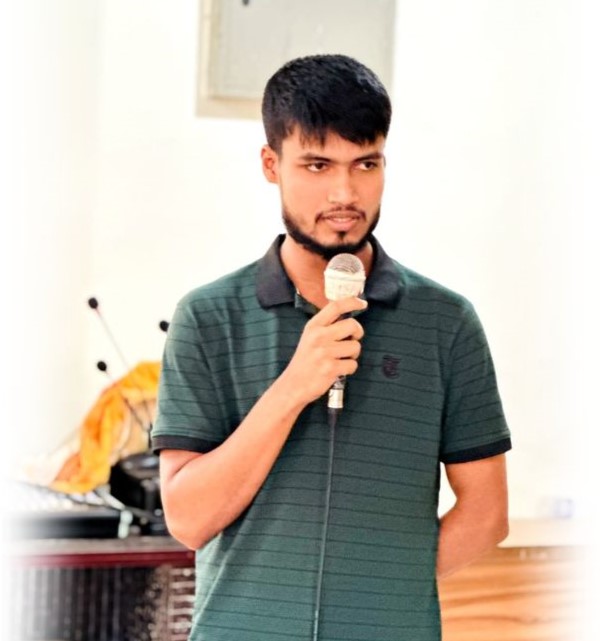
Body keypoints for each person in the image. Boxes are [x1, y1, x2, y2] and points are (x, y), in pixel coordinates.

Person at [152, 54, 511, 641]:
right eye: (317, 165)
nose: (344, 193)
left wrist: (378, 602)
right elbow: (188, 520)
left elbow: (487, 514)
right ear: (271, 164)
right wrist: (294, 387)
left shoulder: (446, 323)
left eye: (365, 163)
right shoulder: (208, 318)